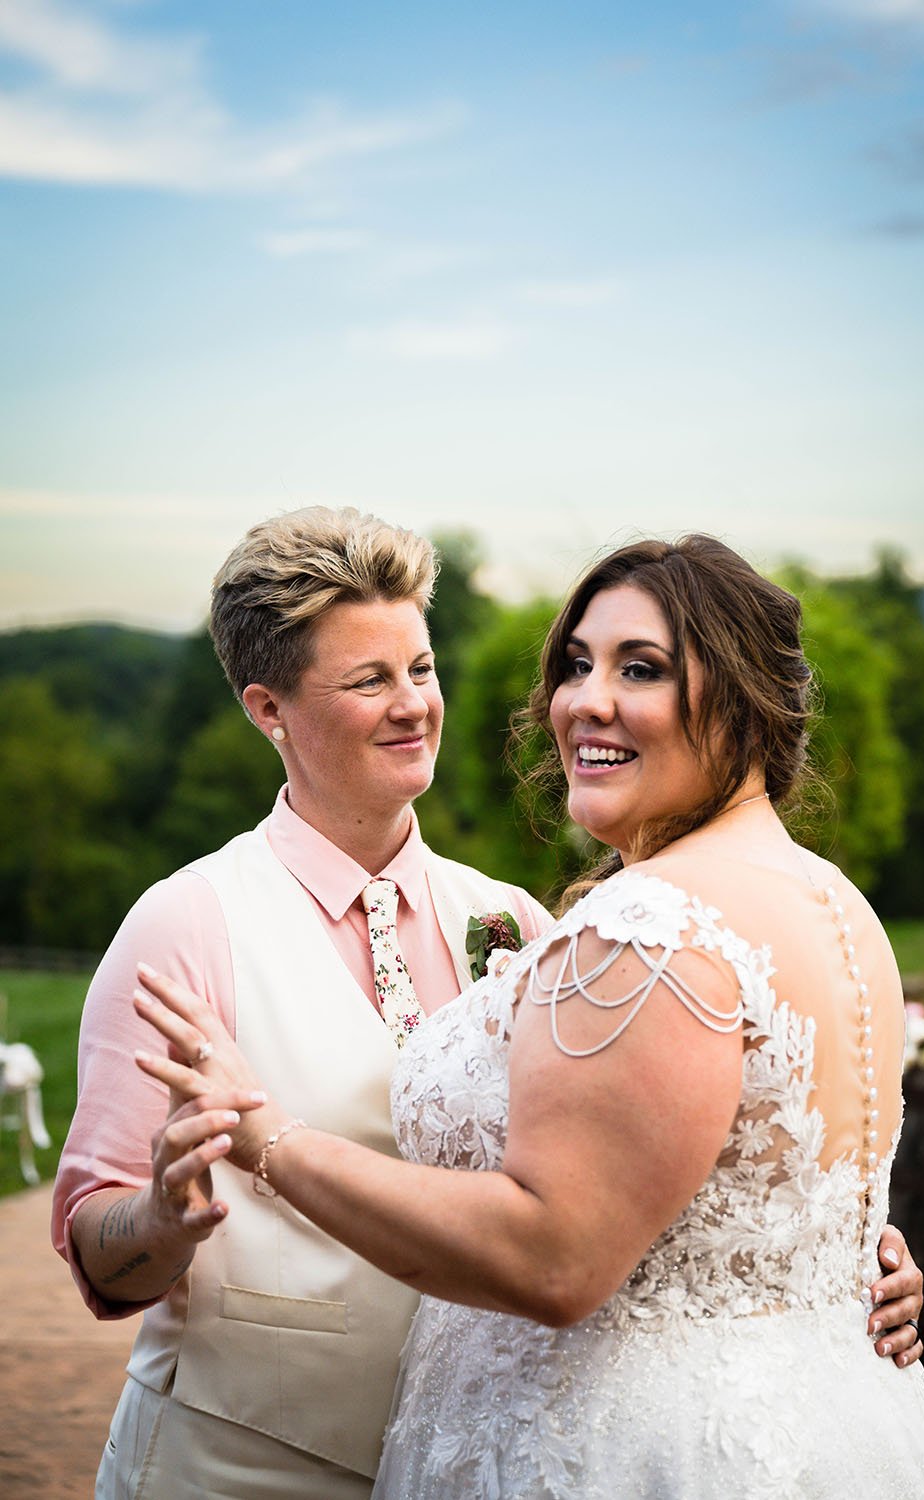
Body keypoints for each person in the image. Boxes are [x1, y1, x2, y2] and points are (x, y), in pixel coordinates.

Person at [133, 534, 924, 1499]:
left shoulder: (648, 926)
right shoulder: (837, 905)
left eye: (640, 669)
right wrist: (838, 1261)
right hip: (827, 1426)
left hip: (620, 1448)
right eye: (576, 665)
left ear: (742, 699)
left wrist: (267, 1137)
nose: (583, 702)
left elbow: (556, 1256)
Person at [53, 506, 552, 1499]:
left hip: (465, 1463)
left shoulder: (513, 924)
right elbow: (96, 1243)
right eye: (368, 679)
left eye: (420, 667)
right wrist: (158, 1217)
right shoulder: (185, 924)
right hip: (229, 1467)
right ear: (267, 710)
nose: (413, 703)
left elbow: (598, 1181)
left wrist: (840, 1259)